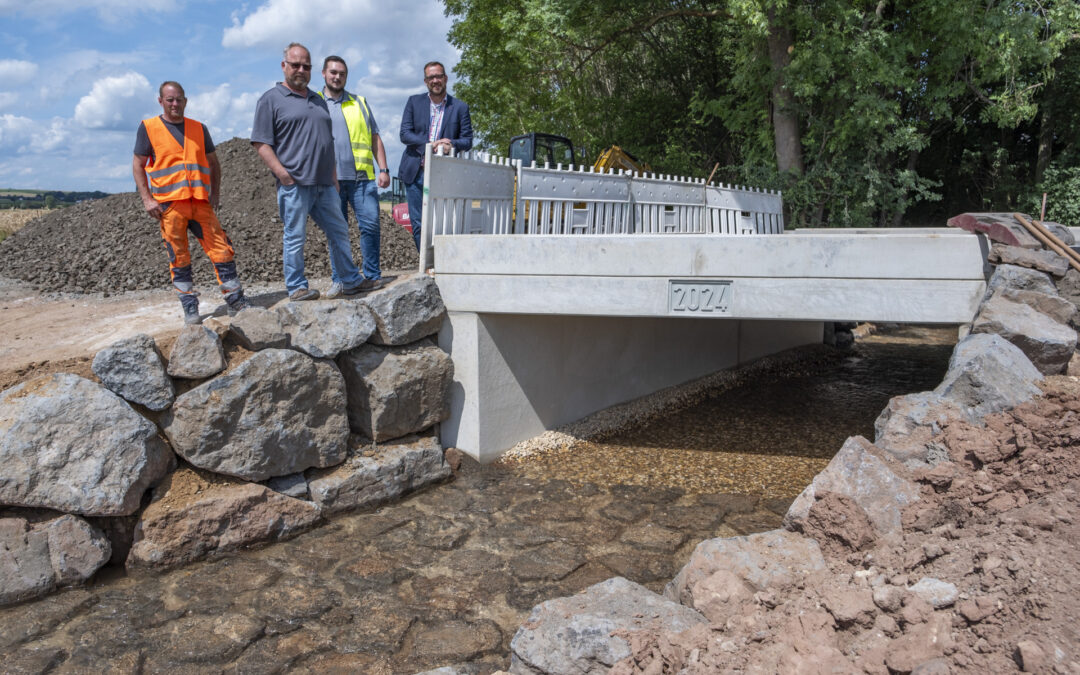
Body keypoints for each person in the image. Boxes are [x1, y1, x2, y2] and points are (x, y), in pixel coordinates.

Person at [251, 42, 366, 301]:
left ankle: (349, 280)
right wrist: (283, 175)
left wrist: (334, 178)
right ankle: (296, 287)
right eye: (295, 65)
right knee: (295, 237)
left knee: (339, 232)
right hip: (295, 183)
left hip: (325, 183)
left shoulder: (317, 100)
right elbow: (261, 142)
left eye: (306, 66)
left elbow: (328, 142)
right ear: (284, 66)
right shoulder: (271, 100)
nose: (301, 70)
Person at [133, 80, 250, 325]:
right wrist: (147, 199)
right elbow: (138, 164)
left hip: (200, 202)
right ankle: (189, 307)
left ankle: (235, 300)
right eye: (170, 100)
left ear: (185, 101)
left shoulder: (199, 128)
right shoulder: (149, 128)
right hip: (170, 206)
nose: (175, 104)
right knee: (179, 257)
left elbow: (214, 163)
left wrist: (215, 193)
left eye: (179, 99)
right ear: (161, 101)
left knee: (222, 250)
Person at [319, 55, 390, 297]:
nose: (337, 77)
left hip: (362, 179)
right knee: (337, 232)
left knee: (370, 226)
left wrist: (384, 169)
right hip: (330, 182)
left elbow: (374, 137)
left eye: (341, 73)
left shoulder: (359, 102)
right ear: (324, 74)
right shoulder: (315, 102)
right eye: (333, 72)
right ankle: (341, 279)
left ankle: (371, 276)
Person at [397, 60, 473, 251]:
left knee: (442, 221)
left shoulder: (459, 107)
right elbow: (405, 134)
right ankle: (426, 265)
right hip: (416, 172)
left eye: (439, 76)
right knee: (418, 222)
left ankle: (442, 262)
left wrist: (450, 144)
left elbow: (467, 140)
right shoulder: (414, 102)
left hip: (444, 174)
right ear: (426, 81)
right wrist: (430, 145)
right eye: (431, 77)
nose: (435, 80)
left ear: (445, 78)